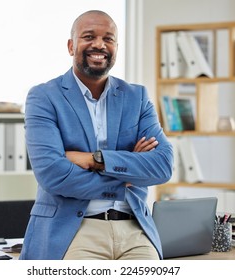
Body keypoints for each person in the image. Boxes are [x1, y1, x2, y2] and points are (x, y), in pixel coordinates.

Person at [19, 10, 173, 260]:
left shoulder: (137, 97)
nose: (99, 44)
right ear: (71, 46)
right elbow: (53, 174)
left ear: (116, 47)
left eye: (108, 39)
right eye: (89, 36)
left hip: (134, 229)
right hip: (75, 229)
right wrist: (127, 176)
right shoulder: (44, 97)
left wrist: (94, 160)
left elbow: (162, 166)